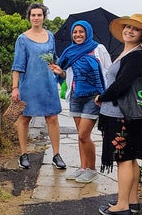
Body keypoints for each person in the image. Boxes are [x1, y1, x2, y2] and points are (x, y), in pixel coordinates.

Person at [94, 13, 142, 215]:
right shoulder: (129, 53)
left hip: (121, 114)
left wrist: (102, 97)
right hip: (125, 114)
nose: (129, 30)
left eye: (135, 29)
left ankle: (122, 206)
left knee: (124, 160)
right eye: (127, 27)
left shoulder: (137, 55)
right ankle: (132, 201)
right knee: (130, 158)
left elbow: (122, 84)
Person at [49, 20, 112, 183]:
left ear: (88, 32)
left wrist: (105, 96)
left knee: (84, 135)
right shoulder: (70, 52)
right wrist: (60, 72)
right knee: (80, 136)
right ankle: (83, 168)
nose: (77, 35)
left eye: (81, 31)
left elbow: (109, 72)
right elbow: (67, 75)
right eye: (75, 32)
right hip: (76, 97)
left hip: (94, 97)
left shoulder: (98, 49)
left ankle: (92, 169)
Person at [11, 3, 66, 170]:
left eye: (39, 15)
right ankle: (23, 154)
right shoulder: (22, 39)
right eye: (33, 15)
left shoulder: (50, 36)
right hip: (29, 85)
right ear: (29, 17)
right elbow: (17, 65)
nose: (36, 18)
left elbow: (53, 58)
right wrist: (15, 87)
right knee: (25, 118)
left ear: (44, 17)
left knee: (52, 118)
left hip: (48, 84)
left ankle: (56, 155)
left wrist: (59, 70)